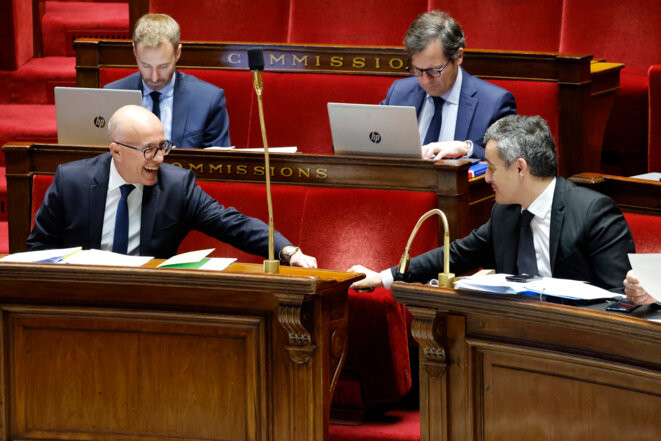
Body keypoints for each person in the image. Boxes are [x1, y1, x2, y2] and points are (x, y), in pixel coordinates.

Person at [349, 115, 634, 291]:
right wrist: (385, 277)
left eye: (492, 168)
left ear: (520, 168)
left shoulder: (593, 213)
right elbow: (457, 254)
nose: (487, 178)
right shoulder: (506, 212)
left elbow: (620, 297)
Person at [27, 105, 316, 268]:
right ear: (116, 151)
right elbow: (37, 249)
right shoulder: (71, 182)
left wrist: (286, 251)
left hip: (151, 301)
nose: (160, 159)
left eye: (163, 147)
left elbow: (231, 223)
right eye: (149, 150)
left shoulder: (176, 186)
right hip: (82, 300)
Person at [382, 10, 516, 161]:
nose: (425, 80)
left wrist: (467, 148)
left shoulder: (494, 103)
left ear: (458, 57)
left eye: (434, 70)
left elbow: (509, 160)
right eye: (418, 70)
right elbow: (376, 140)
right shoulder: (399, 92)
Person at [105, 13, 231, 148]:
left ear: (177, 53)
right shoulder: (113, 96)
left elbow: (217, 164)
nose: (154, 77)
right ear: (135, 51)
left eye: (163, 66)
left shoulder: (209, 100)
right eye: (146, 66)